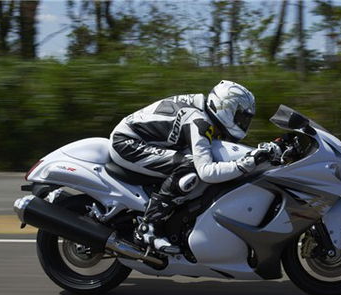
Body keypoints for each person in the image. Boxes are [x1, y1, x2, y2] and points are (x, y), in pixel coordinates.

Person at [109, 80, 281, 254]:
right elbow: (206, 172)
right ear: (226, 108)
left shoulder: (203, 111)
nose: (243, 122)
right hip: (127, 142)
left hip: (140, 139)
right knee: (189, 166)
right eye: (241, 116)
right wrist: (246, 164)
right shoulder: (200, 122)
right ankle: (148, 226)